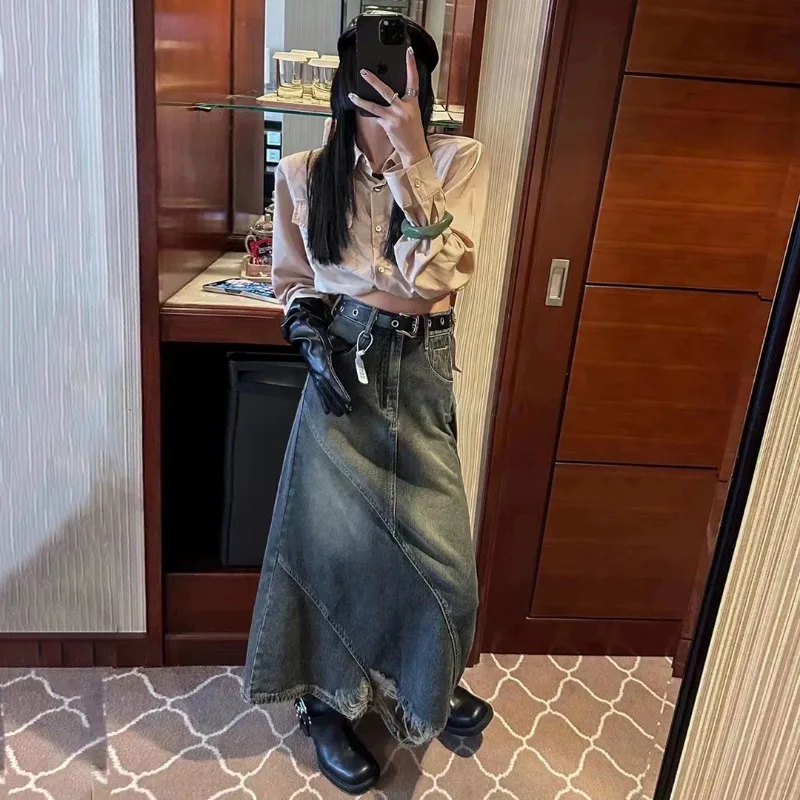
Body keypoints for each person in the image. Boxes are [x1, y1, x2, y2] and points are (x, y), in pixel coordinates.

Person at [242, 11, 491, 795]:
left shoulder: (457, 160)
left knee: (445, 567)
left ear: (424, 83)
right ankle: (323, 703)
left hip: (420, 368)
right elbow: (294, 280)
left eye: (405, 71)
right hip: (343, 362)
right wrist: (306, 330)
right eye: (374, 69)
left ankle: (424, 681)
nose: (386, 82)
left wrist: (411, 156)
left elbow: (436, 276)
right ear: (347, 80)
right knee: (329, 549)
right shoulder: (305, 172)